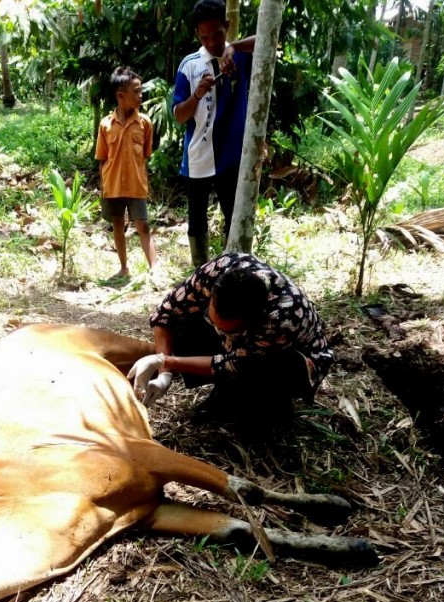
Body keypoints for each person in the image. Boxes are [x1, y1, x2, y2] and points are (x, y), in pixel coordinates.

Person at [127, 253, 334, 430]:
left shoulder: (282, 318)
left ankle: (268, 403)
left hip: (292, 361)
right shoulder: (217, 271)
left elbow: (235, 365)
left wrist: (164, 361)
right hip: (242, 348)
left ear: (252, 319)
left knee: (260, 401)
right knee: (185, 321)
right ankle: (228, 392)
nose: (218, 329)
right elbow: (167, 312)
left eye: (229, 329)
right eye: (213, 318)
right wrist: (165, 375)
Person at [174, 0, 255, 267]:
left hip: (232, 156)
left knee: (234, 216)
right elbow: (178, 115)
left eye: (217, 34)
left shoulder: (239, 56)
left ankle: (234, 269)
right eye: (204, 36)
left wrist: (234, 46)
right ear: (197, 34)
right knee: (197, 222)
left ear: (227, 26)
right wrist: (196, 95)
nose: (211, 42)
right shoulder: (190, 66)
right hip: (198, 155)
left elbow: (267, 40)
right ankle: (201, 271)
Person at [95, 66, 157, 279]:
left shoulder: (145, 123)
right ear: (121, 96)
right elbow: (102, 159)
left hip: (136, 184)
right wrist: (102, 188)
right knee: (118, 224)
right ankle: (123, 267)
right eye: (136, 92)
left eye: (141, 91)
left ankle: (154, 268)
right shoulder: (105, 125)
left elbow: (145, 155)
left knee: (143, 224)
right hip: (112, 185)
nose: (141, 96)